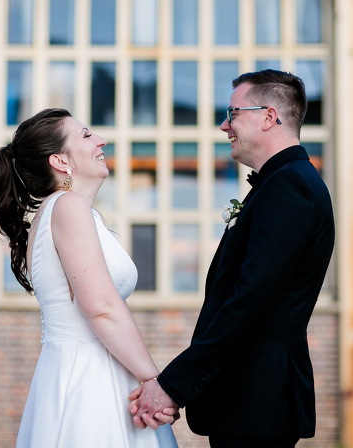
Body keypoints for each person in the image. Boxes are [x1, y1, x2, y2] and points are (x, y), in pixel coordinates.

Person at [129, 70, 335, 448]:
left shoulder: (289, 187)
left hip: (257, 403)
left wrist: (173, 386)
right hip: (249, 402)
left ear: (268, 116)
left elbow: (250, 303)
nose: (224, 125)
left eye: (233, 113)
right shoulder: (282, 183)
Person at [0, 108, 178, 448]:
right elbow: (100, 306)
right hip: (89, 378)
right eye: (86, 135)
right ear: (59, 161)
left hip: (93, 367)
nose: (101, 140)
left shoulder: (70, 211)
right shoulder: (68, 207)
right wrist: (154, 381)